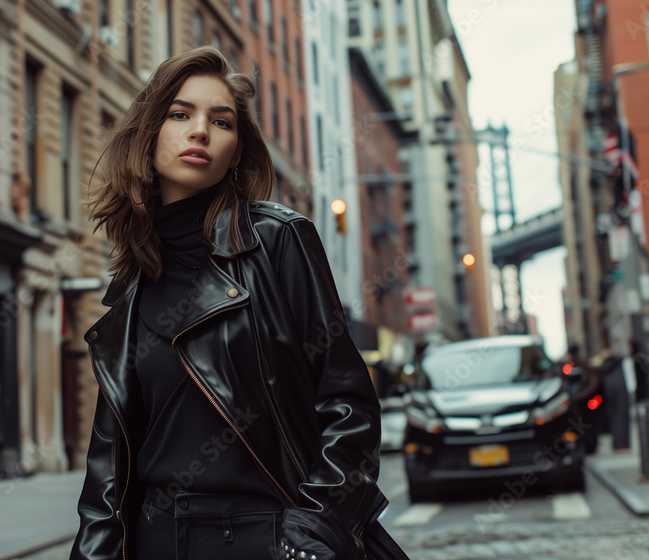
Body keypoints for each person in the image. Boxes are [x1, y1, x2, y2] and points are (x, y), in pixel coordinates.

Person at [68, 46, 405, 560]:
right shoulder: (130, 291)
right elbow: (107, 476)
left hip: (267, 537)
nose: (199, 130)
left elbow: (348, 404)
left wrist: (317, 526)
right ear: (148, 135)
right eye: (180, 114)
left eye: (220, 121)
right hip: (157, 542)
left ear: (237, 151)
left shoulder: (277, 241)